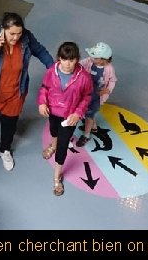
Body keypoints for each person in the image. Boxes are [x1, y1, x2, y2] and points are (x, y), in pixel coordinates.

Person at [0, 12, 54, 171]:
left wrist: (53, 69)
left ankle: (5, 150)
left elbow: (40, 51)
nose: (16, 37)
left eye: (19, 33)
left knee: (9, 124)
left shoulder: (26, 38)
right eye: (12, 34)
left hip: (14, 92)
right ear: (3, 29)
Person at [37, 42, 92, 196]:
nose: (68, 64)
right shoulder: (51, 71)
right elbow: (44, 88)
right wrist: (42, 102)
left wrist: (77, 113)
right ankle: (52, 146)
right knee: (53, 131)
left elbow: (87, 96)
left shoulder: (84, 77)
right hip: (53, 111)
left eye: (72, 60)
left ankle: (56, 177)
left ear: (77, 59)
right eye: (65, 59)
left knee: (63, 145)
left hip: (70, 117)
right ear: (59, 58)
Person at [75, 42, 117, 147]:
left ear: (103, 60)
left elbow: (113, 80)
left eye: (95, 57)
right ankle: (93, 125)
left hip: (96, 96)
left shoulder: (109, 69)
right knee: (84, 110)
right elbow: (78, 65)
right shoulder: (88, 61)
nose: (91, 57)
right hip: (85, 93)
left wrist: (108, 90)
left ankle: (86, 135)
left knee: (89, 114)